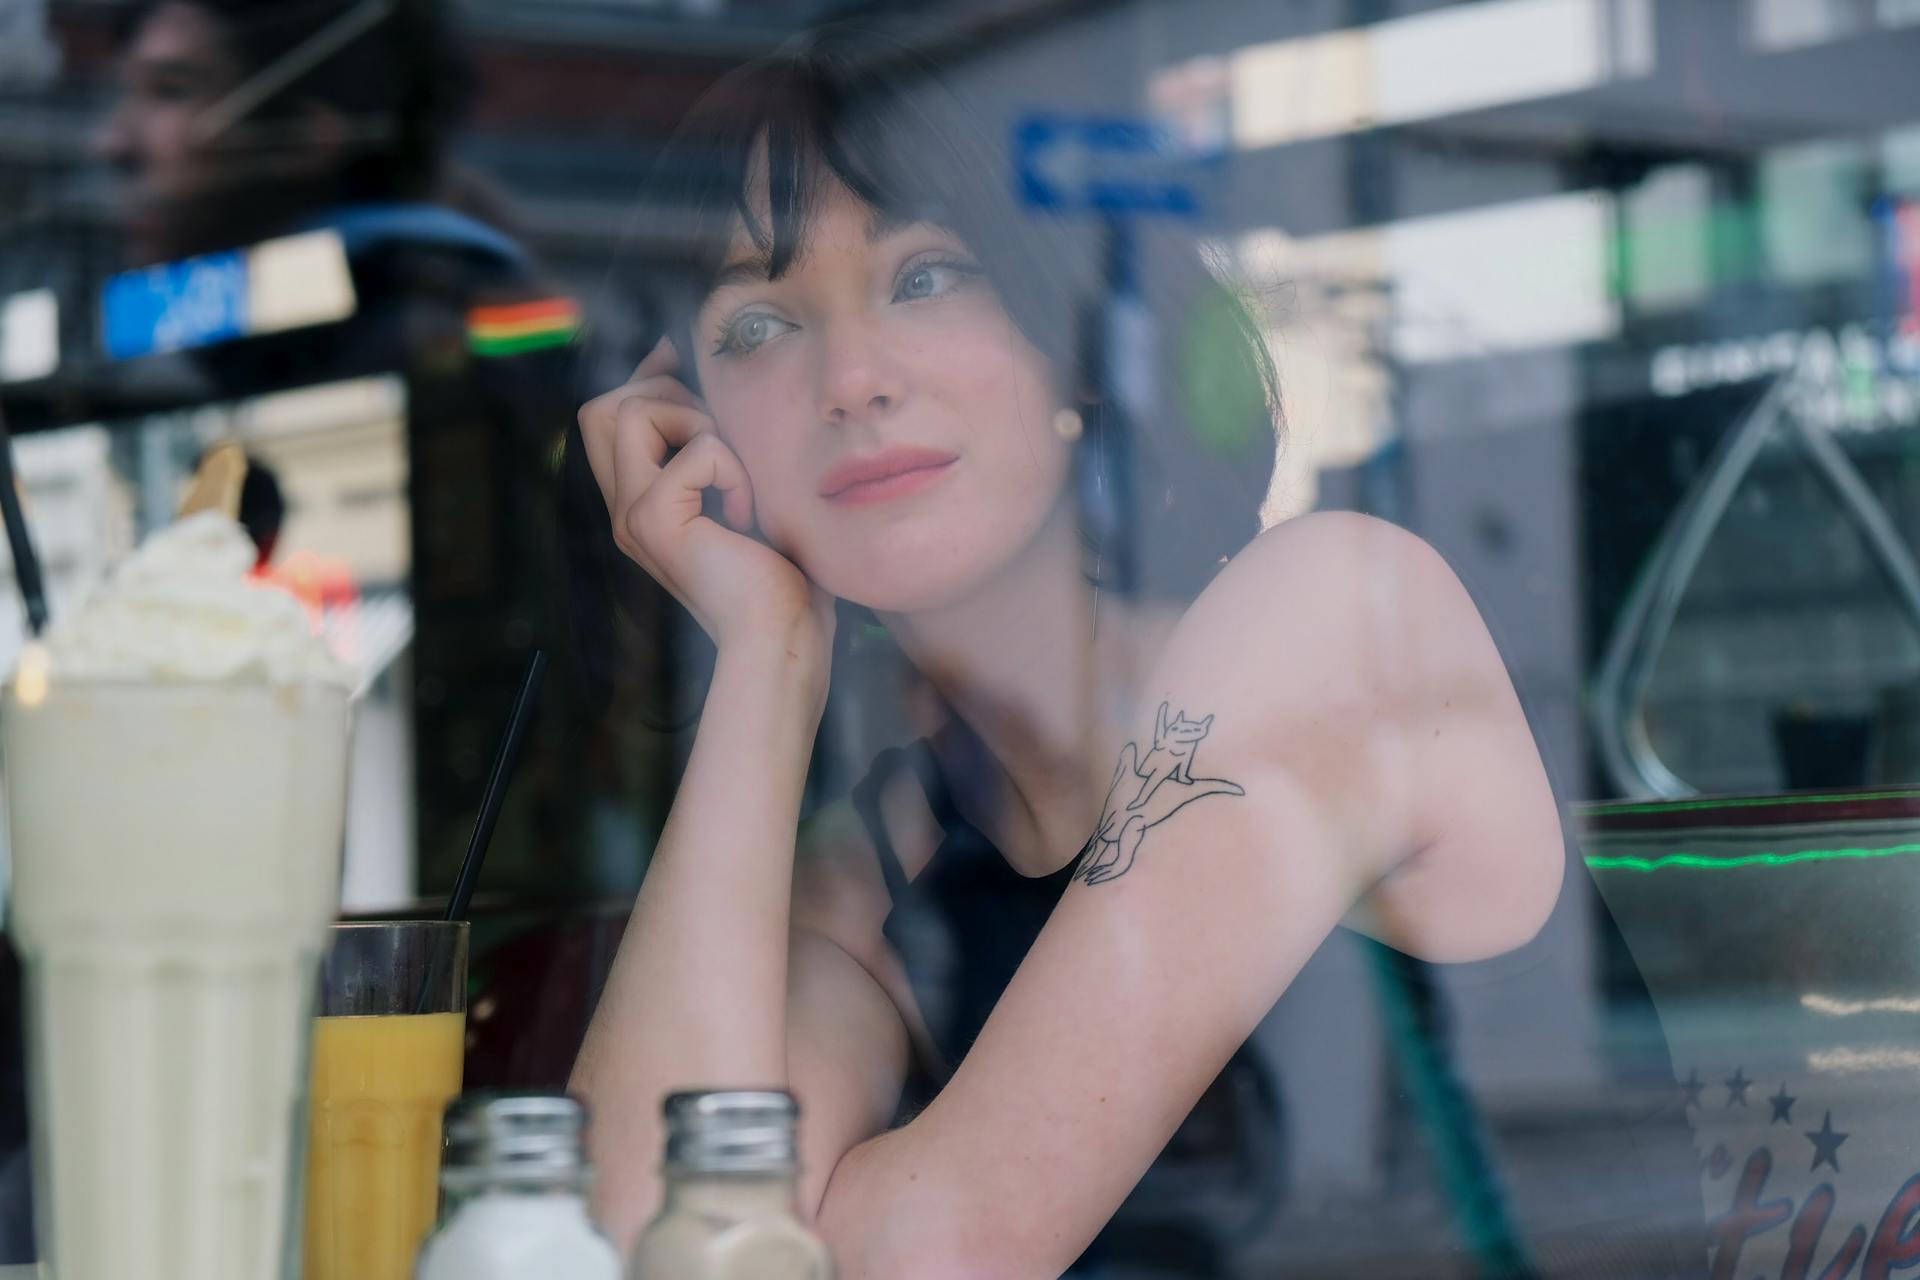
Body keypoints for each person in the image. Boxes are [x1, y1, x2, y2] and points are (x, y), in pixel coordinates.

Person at [568, 29, 1705, 1278]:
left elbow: (927, 1258)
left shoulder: (1325, 618)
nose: (851, 378)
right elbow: (632, 1242)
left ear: (1080, 348)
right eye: (758, 326)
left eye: (928, 276)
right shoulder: (883, 852)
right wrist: (764, 655)